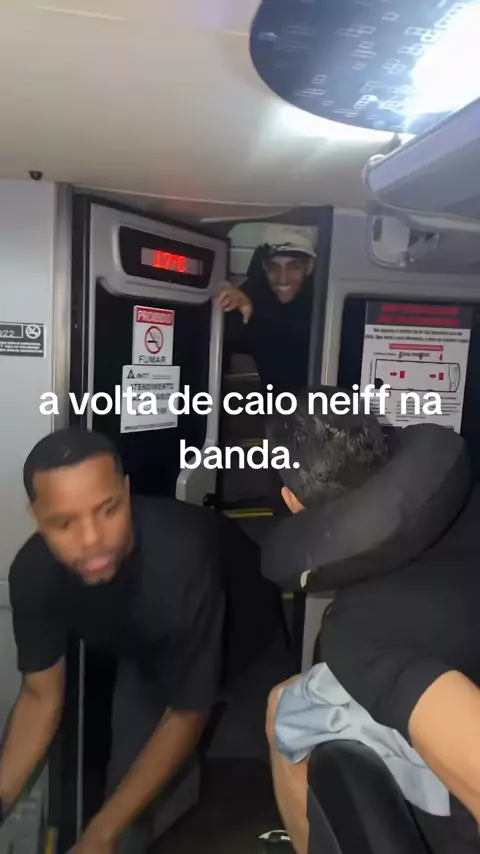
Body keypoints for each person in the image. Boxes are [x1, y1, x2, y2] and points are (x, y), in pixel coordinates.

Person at [263, 390, 480, 854]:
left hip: (458, 807)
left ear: (292, 501)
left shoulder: (358, 631)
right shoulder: (468, 492)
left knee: (283, 706)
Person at [0, 427, 225, 854]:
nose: (92, 540)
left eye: (108, 510)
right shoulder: (32, 573)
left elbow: (188, 713)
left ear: (127, 491)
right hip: (149, 658)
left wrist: (100, 834)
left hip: (252, 657)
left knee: (231, 804)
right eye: (64, 522)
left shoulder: (181, 556)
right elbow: (40, 697)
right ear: (36, 516)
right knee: (129, 809)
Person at [217, 224, 317, 392]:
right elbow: (221, 346)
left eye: (294, 267)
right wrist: (235, 312)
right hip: (273, 403)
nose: (283, 279)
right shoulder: (255, 296)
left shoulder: (327, 303)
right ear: (264, 266)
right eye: (274, 267)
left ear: (310, 266)